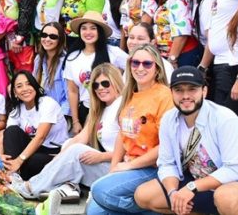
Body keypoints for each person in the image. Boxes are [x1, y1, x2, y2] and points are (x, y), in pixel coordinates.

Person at [134, 66, 238, 215]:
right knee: (144, 194)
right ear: (171, 93)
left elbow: (234, 169)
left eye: (192, 89)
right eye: (179, 90)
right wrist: (173, 193)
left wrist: (191, 187)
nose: (185, 95)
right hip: (197, 183)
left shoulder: (224, 118)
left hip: (237, 184)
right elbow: (167, 163)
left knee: (226, 198)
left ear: (204, 91)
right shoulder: (169, 119)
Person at [11, 64, 124, 201]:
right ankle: (68, 187)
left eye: (105, 83)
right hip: (107, 164)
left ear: (116, 82)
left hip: (119, 169)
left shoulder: (123, 107)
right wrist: (58, 159)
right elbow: (80, 138)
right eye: (95, 85)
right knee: (70, 143)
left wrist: (102, 157)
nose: (100, 88)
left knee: (76, 150)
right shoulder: (100, 111)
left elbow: (130, 151)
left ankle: (30, 188)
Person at [88, 44, 174, 215]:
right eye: (135, 63)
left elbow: (167, 145)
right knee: (94, 211)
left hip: (154, 167)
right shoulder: (129, 94)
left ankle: (159, 209)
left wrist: (129, 166)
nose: (140, 68)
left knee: (100, 191)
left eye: (147, 64)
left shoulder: (164, 96)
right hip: (131, 164)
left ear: (157, 68)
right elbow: (122, 134)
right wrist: (114, 168)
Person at [64, 11, 128, 131]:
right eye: (84, 28)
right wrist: (76, 121)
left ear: (100, 31)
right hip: (86, 110)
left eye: (93, 28)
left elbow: (133, 67)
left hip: (111, 109)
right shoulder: (73, 58)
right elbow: (72, 91)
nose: (88, 32)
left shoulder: (113, 52)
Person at [0, 70, 68, 182]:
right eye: (19, 86)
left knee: (32, 161)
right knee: (12, 131)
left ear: (35, 86)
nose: (25, 89)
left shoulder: (47, 103)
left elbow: (40, 137)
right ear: (15, 92)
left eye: (28, 84)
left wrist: (19, 160)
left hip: (53, 152)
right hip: (31, 151)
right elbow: (7, 136)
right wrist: (1, 156)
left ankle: (17, 174)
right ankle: (13, 174)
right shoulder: (16, 111)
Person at [33, 22, 69, 119]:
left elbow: (69, 97)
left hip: (59, 116)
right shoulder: (38, 59)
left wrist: (59, 117)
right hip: (40, 112)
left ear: (60, 40)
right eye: (44, 35)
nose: (47, 39)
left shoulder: (65, 62)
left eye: (53, 36)